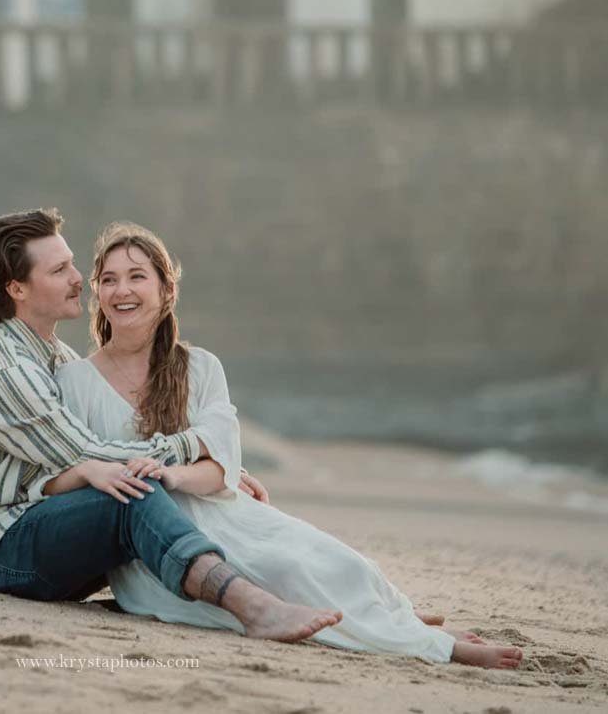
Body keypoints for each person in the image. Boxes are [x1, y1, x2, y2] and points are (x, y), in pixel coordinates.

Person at [55, 221, 525, 672]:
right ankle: (433, 646)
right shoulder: (75, 380)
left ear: (166, 290)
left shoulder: (199, 367)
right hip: (155, 541)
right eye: (109, 280)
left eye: (137, 277)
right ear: (97, 292)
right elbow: (72, 465)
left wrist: (173, 475)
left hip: (216, 506)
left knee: (337, 561)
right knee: (285, 573)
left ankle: (397, 617)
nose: (122, 291)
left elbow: (220, 461)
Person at [0, 207, 342, 642]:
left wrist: (226, 469)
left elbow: (98, 454)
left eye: (73, 263)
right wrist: (201, 448)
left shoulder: (50, 354)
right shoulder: (8, 372)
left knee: (163, 496)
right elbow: (96, 452)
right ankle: (252, 607)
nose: (80, 278)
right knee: (133, 493)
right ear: (17, 287)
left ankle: (357, 613)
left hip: (38, 529)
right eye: (59, 270)